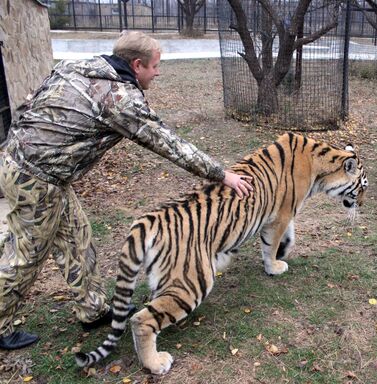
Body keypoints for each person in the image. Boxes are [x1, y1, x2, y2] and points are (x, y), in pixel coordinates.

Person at [0, 31, 253, 350]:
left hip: (37, 169)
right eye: (155, 66)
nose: (158, 72)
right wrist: (222, 175)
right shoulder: (121, 100)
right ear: (137, 65)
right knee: (25, 257)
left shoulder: (82, 66)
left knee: (77, 238)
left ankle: (92, 308)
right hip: (35, 178)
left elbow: (29, 103)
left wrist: (17, 144)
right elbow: (168, 143)